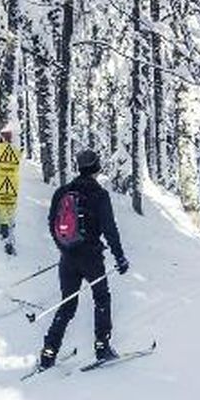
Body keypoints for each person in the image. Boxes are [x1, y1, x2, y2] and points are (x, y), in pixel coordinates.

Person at [39, 148, 130, 368]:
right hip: (91, 258)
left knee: (67, 305)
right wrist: (120, 257)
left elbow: (52, 224)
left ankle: (48, 353)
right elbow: (109, 229)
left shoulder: (62, 192)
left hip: (68, 258)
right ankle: (102, 347)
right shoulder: (99, 194)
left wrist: (64, 248)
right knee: (101, 299)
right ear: (96, 168)